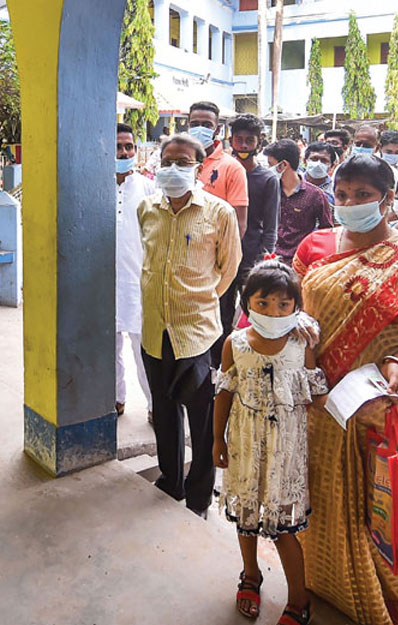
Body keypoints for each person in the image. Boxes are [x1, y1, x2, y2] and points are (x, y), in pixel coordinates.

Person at [294, 154, 398, 625]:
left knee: (385, 503)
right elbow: (297, 320)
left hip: (384, 399)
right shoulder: (314, 247)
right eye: (342, 195)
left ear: (387, 199)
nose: (350, 204)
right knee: (321, 489)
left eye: (363, 196)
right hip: (321, 398)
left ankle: (387, 603)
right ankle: (319, 579)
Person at [212, 260, 328, 625]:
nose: (273, 311)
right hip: (245, 446)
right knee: (246, 519)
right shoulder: (236, 343)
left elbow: (317, 396)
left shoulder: (300, 343)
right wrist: (218, 439)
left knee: (283, 530)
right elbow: (224, 395)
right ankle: (251, 575)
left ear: (296, 306)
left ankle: (299, 598)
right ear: (247, 304)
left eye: (283, 304)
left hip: (285, 453)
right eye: (263, 303)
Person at [137, 133, 242, 517]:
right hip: (154, 329)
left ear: (199, 168)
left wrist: (198, 299)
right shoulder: (147, 208)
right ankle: (170, 480)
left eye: (183, 162)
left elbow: (228, 268)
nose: (174, 168)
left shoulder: (219, 213)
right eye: (168, 161)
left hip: (195, 332)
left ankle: (199, 496)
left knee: (200, 420)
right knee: (164, 414)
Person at [212, 113, 280, 368]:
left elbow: (271, 226)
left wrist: (265, 260)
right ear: (230, 140)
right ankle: (221, 365)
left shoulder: (268, 179)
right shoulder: (222, 172)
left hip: (252, 256)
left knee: (254, 311)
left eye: (248, 141)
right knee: (221, 310)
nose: (243, 145)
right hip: (221, 255)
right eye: (238, 140)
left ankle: (254, 361)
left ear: (258, 143)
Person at [114, 123, 154, 419]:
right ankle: (115, 399)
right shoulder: (95, 186)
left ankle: (155, 407)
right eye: (118, 146)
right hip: (103, 285)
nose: (124, 152)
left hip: (138, 283)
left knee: (145, 351)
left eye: (129, 146)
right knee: (108, 351)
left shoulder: (147, 187)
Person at [265, 139, 333, 266]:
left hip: (298, 264)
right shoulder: (268, 191)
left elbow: (326, 232)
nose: (268, 169)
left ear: (283, 165)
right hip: (268, 260)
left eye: (270, 165)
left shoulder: (315, 195)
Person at [188, 101, 249, 235]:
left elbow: (239, 224)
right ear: (188, 127)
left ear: (217, 129)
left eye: (206, 125)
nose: (200, 129)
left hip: (214, 250)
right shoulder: (178, 163)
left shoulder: (232, 168)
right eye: (194, 124)